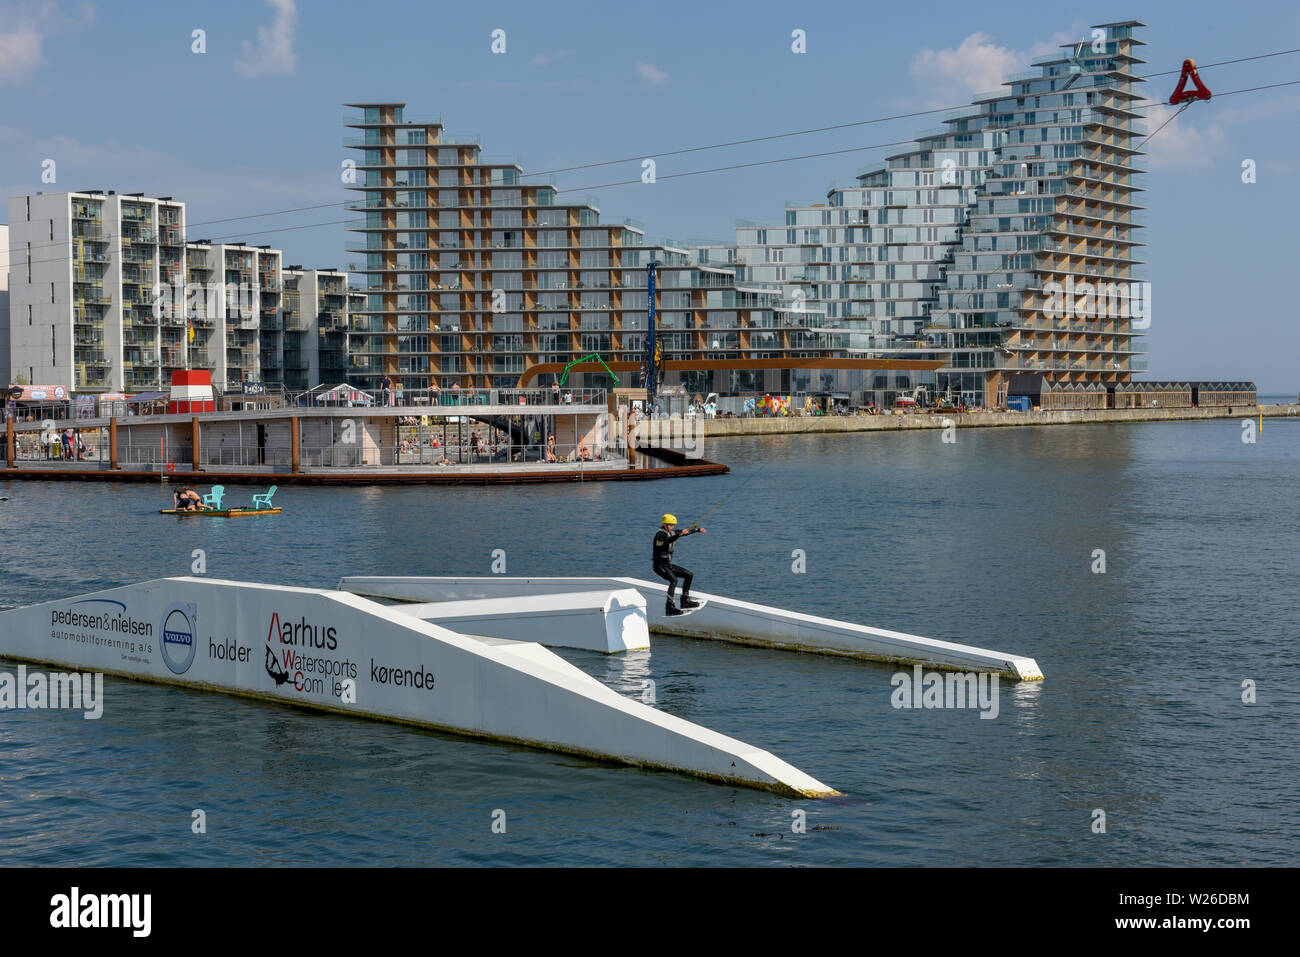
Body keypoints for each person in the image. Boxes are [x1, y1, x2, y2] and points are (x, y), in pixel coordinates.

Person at [653, 513, 706, 616]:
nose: (672, 527)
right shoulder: (660, 535)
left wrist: (697, 530)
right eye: (670, 525)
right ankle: (669, 608)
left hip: (667, 565)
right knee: (674, 580)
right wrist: (678, 535)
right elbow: (667, 540)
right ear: (664, 524)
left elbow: (684, 532)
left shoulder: (672, 532)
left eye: (673, 525)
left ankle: (685, 601)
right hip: (659, 566)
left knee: (689, 574)